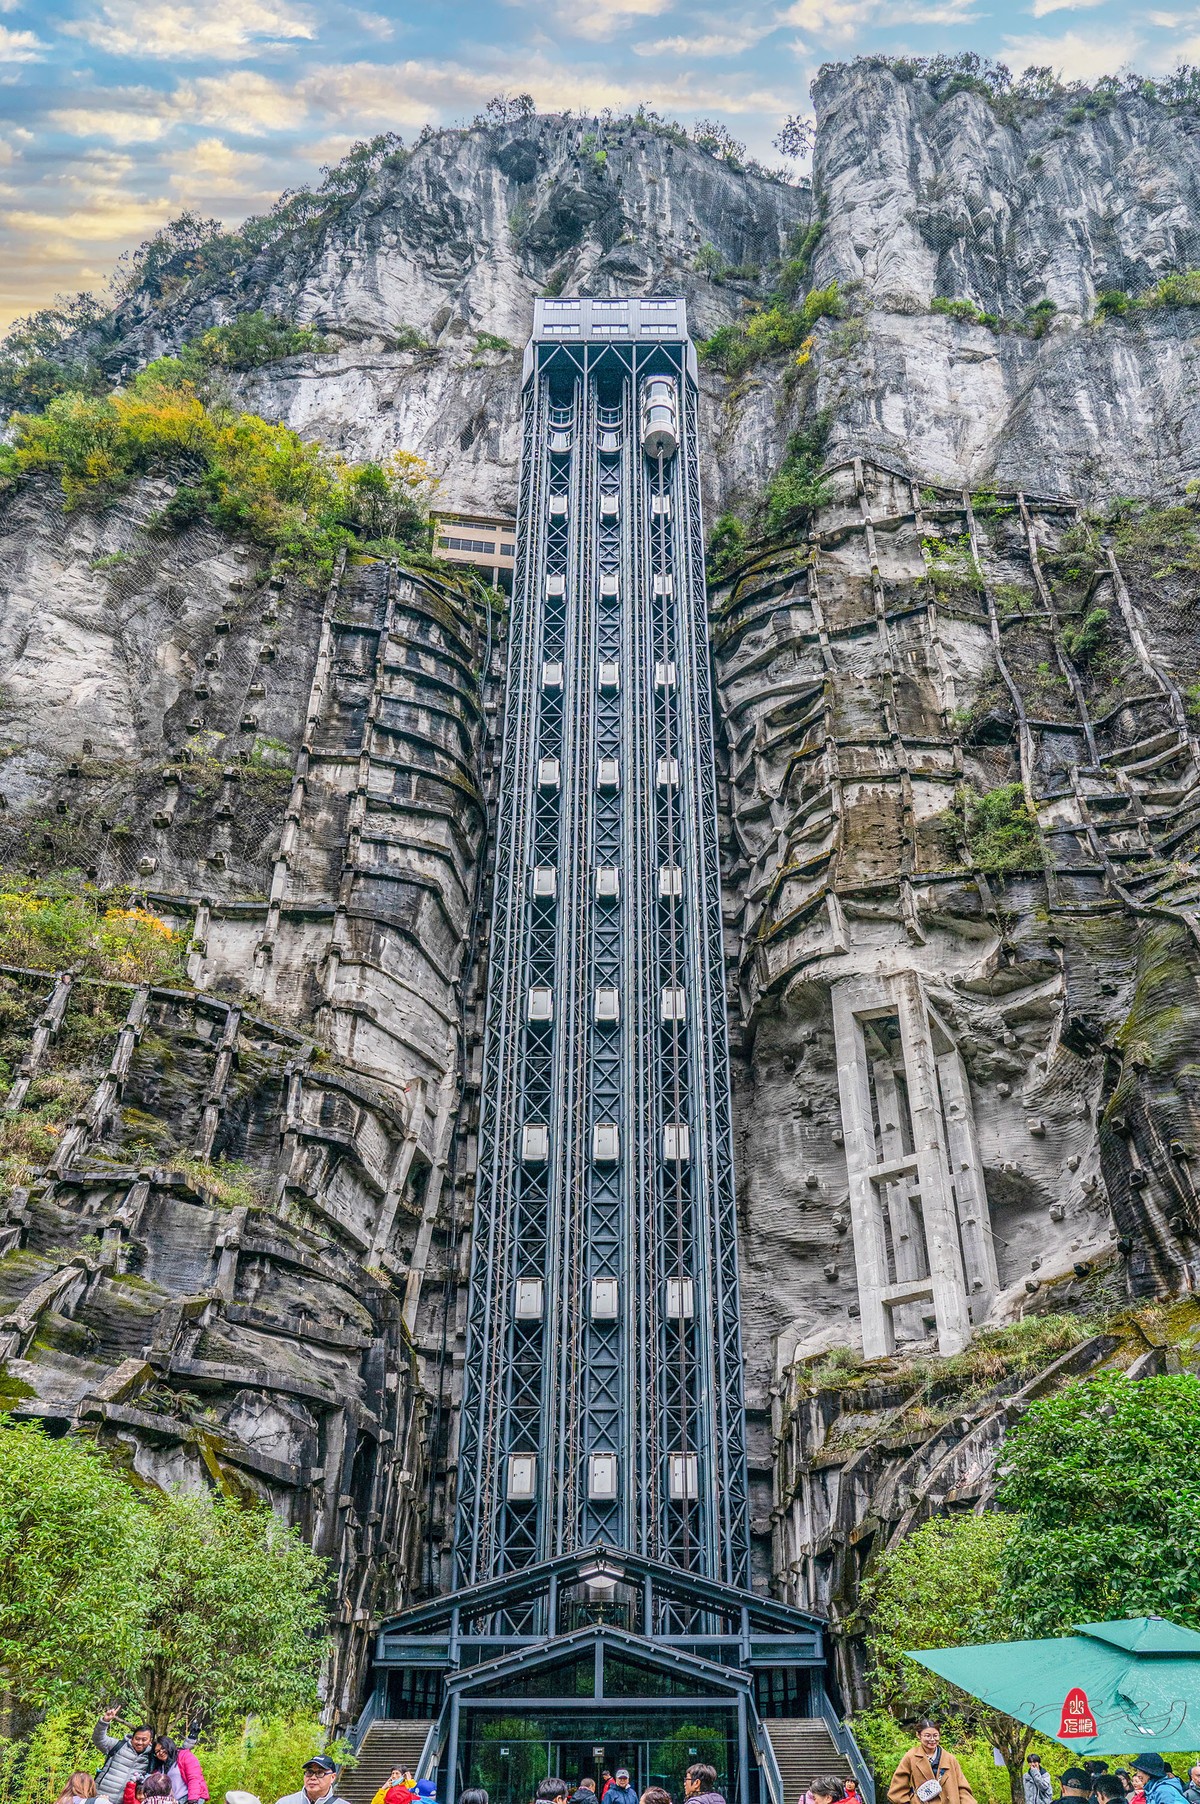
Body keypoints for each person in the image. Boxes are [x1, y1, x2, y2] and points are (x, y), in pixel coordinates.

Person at [887, 1720, 975, 1804]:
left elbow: (963, 1788)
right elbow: (898, 1787)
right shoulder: (911, 1757)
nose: (932, 1739)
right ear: (918, 1735)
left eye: (935, 1735)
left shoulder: (950, 1759)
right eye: (927, 1736)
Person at [94, 1713, 155, 1801]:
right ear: (132, 1738)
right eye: (137, 1738)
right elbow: (99, 1740)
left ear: (150, 1741)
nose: (140, 1742)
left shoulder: (151, 1758)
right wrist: (104, 1721)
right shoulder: (118, 1746)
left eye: (144, 1740)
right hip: (100, 1797)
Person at [152, 1738, 209, 1804]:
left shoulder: (185, 1756)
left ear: (169, 1746)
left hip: (191, 1798)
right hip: (175, 1801)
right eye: (157, 1751)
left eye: (163, 1748)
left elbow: (194, 1778)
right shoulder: (160, 1767)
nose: (161, 1752)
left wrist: (193, 1799)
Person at [273, 1756, 348, 1804]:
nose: (313, 1777)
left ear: (332, 1777)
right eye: (309, 1772)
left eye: (320, 1773)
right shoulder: (286, 1802)